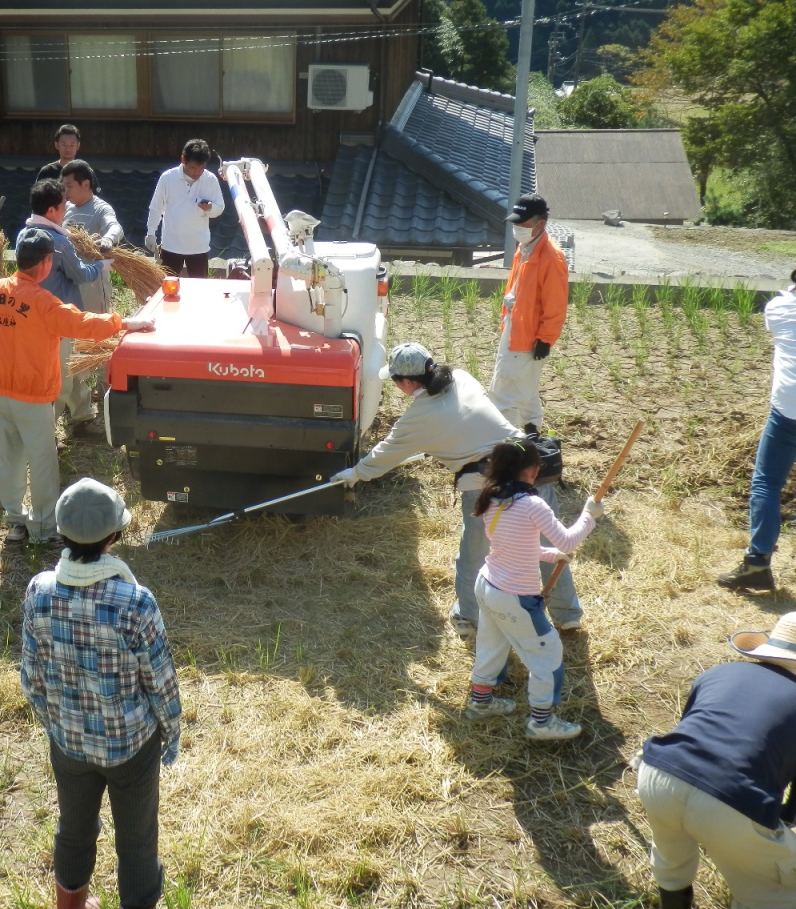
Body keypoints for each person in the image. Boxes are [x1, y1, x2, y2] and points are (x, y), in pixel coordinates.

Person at [331, 342, 586, 638]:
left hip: (485, 485)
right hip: (531, 467)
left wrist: (354, 473)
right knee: (548, 545)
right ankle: (568, 615)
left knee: (474, 554)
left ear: (408, 382)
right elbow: (470, 419)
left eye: (396, 380)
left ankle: (467, 617)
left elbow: (384, 455)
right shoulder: (462, 377)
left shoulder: (416, 420)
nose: (397, 385)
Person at [20, 477, 181, 909]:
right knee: (138, 840)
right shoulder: (135, 602)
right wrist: (171, 733)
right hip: (130, 747)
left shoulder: (39, 591)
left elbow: (30, 677)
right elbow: (161, 683)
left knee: (73, 829)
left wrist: (55, 721)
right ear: (115, 535)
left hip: (68, 743)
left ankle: (71, 904)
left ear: (62, 533)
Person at [0, 229, 153, 545]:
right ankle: (43, 527)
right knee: (42, 462)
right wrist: (124, 322)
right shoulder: (43, 303)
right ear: (47, 262)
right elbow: (83, 324)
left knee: (9, 457)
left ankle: (14, 522)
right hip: (33, 398)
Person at [635, 612, 796, 909]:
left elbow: (690, 728)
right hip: (731, 795)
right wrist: (780, 824)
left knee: (671, 859)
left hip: (658, 772)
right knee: (780, 890)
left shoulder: (720, 671)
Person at [463, 440, 602, 741]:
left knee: (491, 645)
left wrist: (550, 556)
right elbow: (567, 540)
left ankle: (480, 703)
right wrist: (589, 516)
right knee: (548, 655)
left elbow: (513, 546)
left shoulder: (492, 499)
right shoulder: (532, 504)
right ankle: (542, 722)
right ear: (534, 470)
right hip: (516, 598)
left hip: (487, 585)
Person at [717, 269, 796, 595]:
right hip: (786, 409)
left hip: (788, 411)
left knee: (766, 483)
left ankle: (757, 563)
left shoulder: (778, 309)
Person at [23, 179, 106, 431]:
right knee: (63, 379)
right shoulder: (58, 242)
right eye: (62, 204)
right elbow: (80, 274)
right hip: (57, 319)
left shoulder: (24, 235)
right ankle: (45, 431)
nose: (66, 207)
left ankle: (82, 415)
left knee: (71, 367)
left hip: (30, 316)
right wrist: (102, 266)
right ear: (51, 211)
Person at [488, 193, 569, 434]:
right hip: (516, 325)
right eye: (515, 222)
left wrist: (545, 339)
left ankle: (504, 447)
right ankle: (532, 434)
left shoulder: (551, 257)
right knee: (527, 389)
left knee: (506, 392)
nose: (517, 228)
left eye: (522, 223)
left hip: (527, 336)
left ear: (540, 224)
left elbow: (556, 305)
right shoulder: (526, 246)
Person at [144, 139, 225, 280]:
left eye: (201, 168)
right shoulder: (167, 178)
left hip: (199, 247)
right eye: (193, 168)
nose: (197, 172)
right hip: (171, 245)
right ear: (183, 160)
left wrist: (210, 208)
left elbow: (220, 207)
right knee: (166, 289)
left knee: (200, 289)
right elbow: (156, 207)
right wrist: (151, 232)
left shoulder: (210, 179)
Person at [63, 159, 123, 315]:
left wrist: (107, 239)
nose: (66, 191)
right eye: (64, 187)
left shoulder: (101, 208)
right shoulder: (65, 208)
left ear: (86, 184)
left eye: (69, 186)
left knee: (94, 329)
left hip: (93, 283)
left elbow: (115, 227)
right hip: (69, 280)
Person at [35, 124, 94, 190]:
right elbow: (37, 197)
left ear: (78, 146)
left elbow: (96, 197)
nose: (68, 149)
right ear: (57, 145)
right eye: (64, 145)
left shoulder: (86, 171)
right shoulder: (46, 172)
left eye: (72, 145)